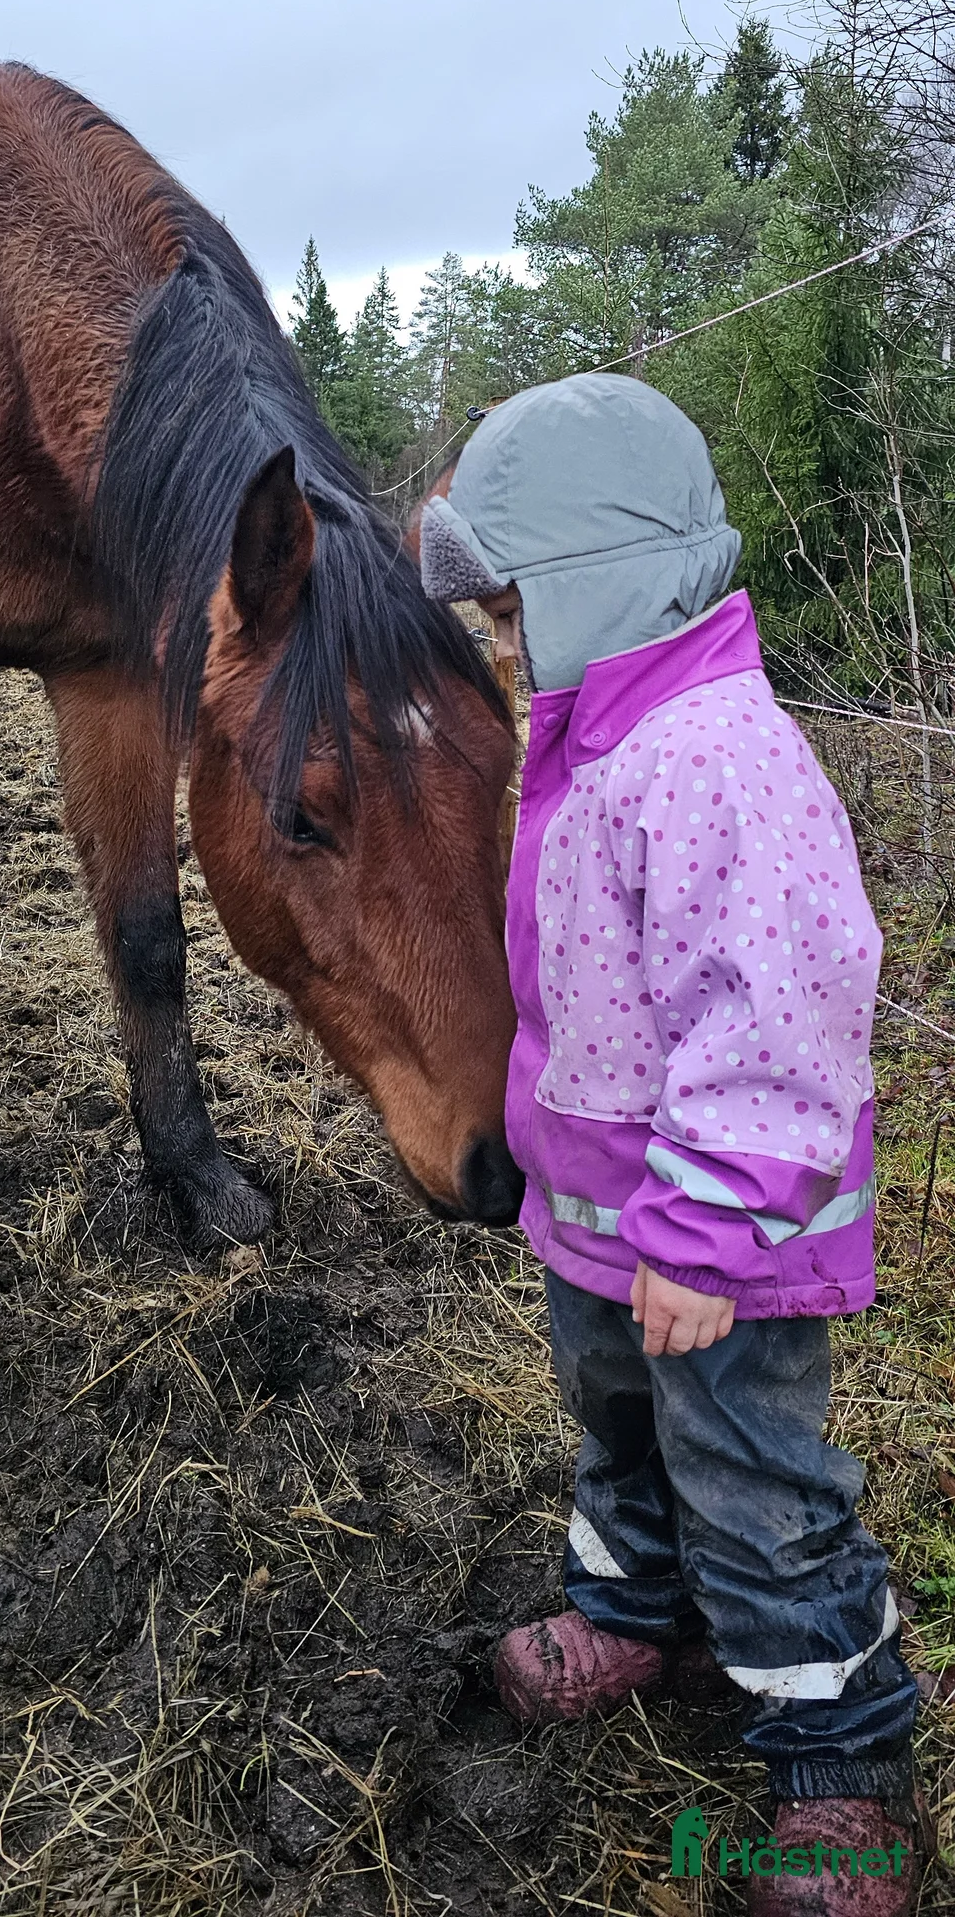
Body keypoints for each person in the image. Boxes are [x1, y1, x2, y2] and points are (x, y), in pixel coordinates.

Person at [419, 373, 928, 1916]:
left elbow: (776, 1016)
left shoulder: (714, 760)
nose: (505, 645)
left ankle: (841, 1762)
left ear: (602, 573)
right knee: (621, 1437)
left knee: (759, 1485)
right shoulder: (600, 741)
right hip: (608, 1232)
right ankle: (636, 1614)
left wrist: (702, 1238)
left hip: (722, 1253)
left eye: (515, 608)